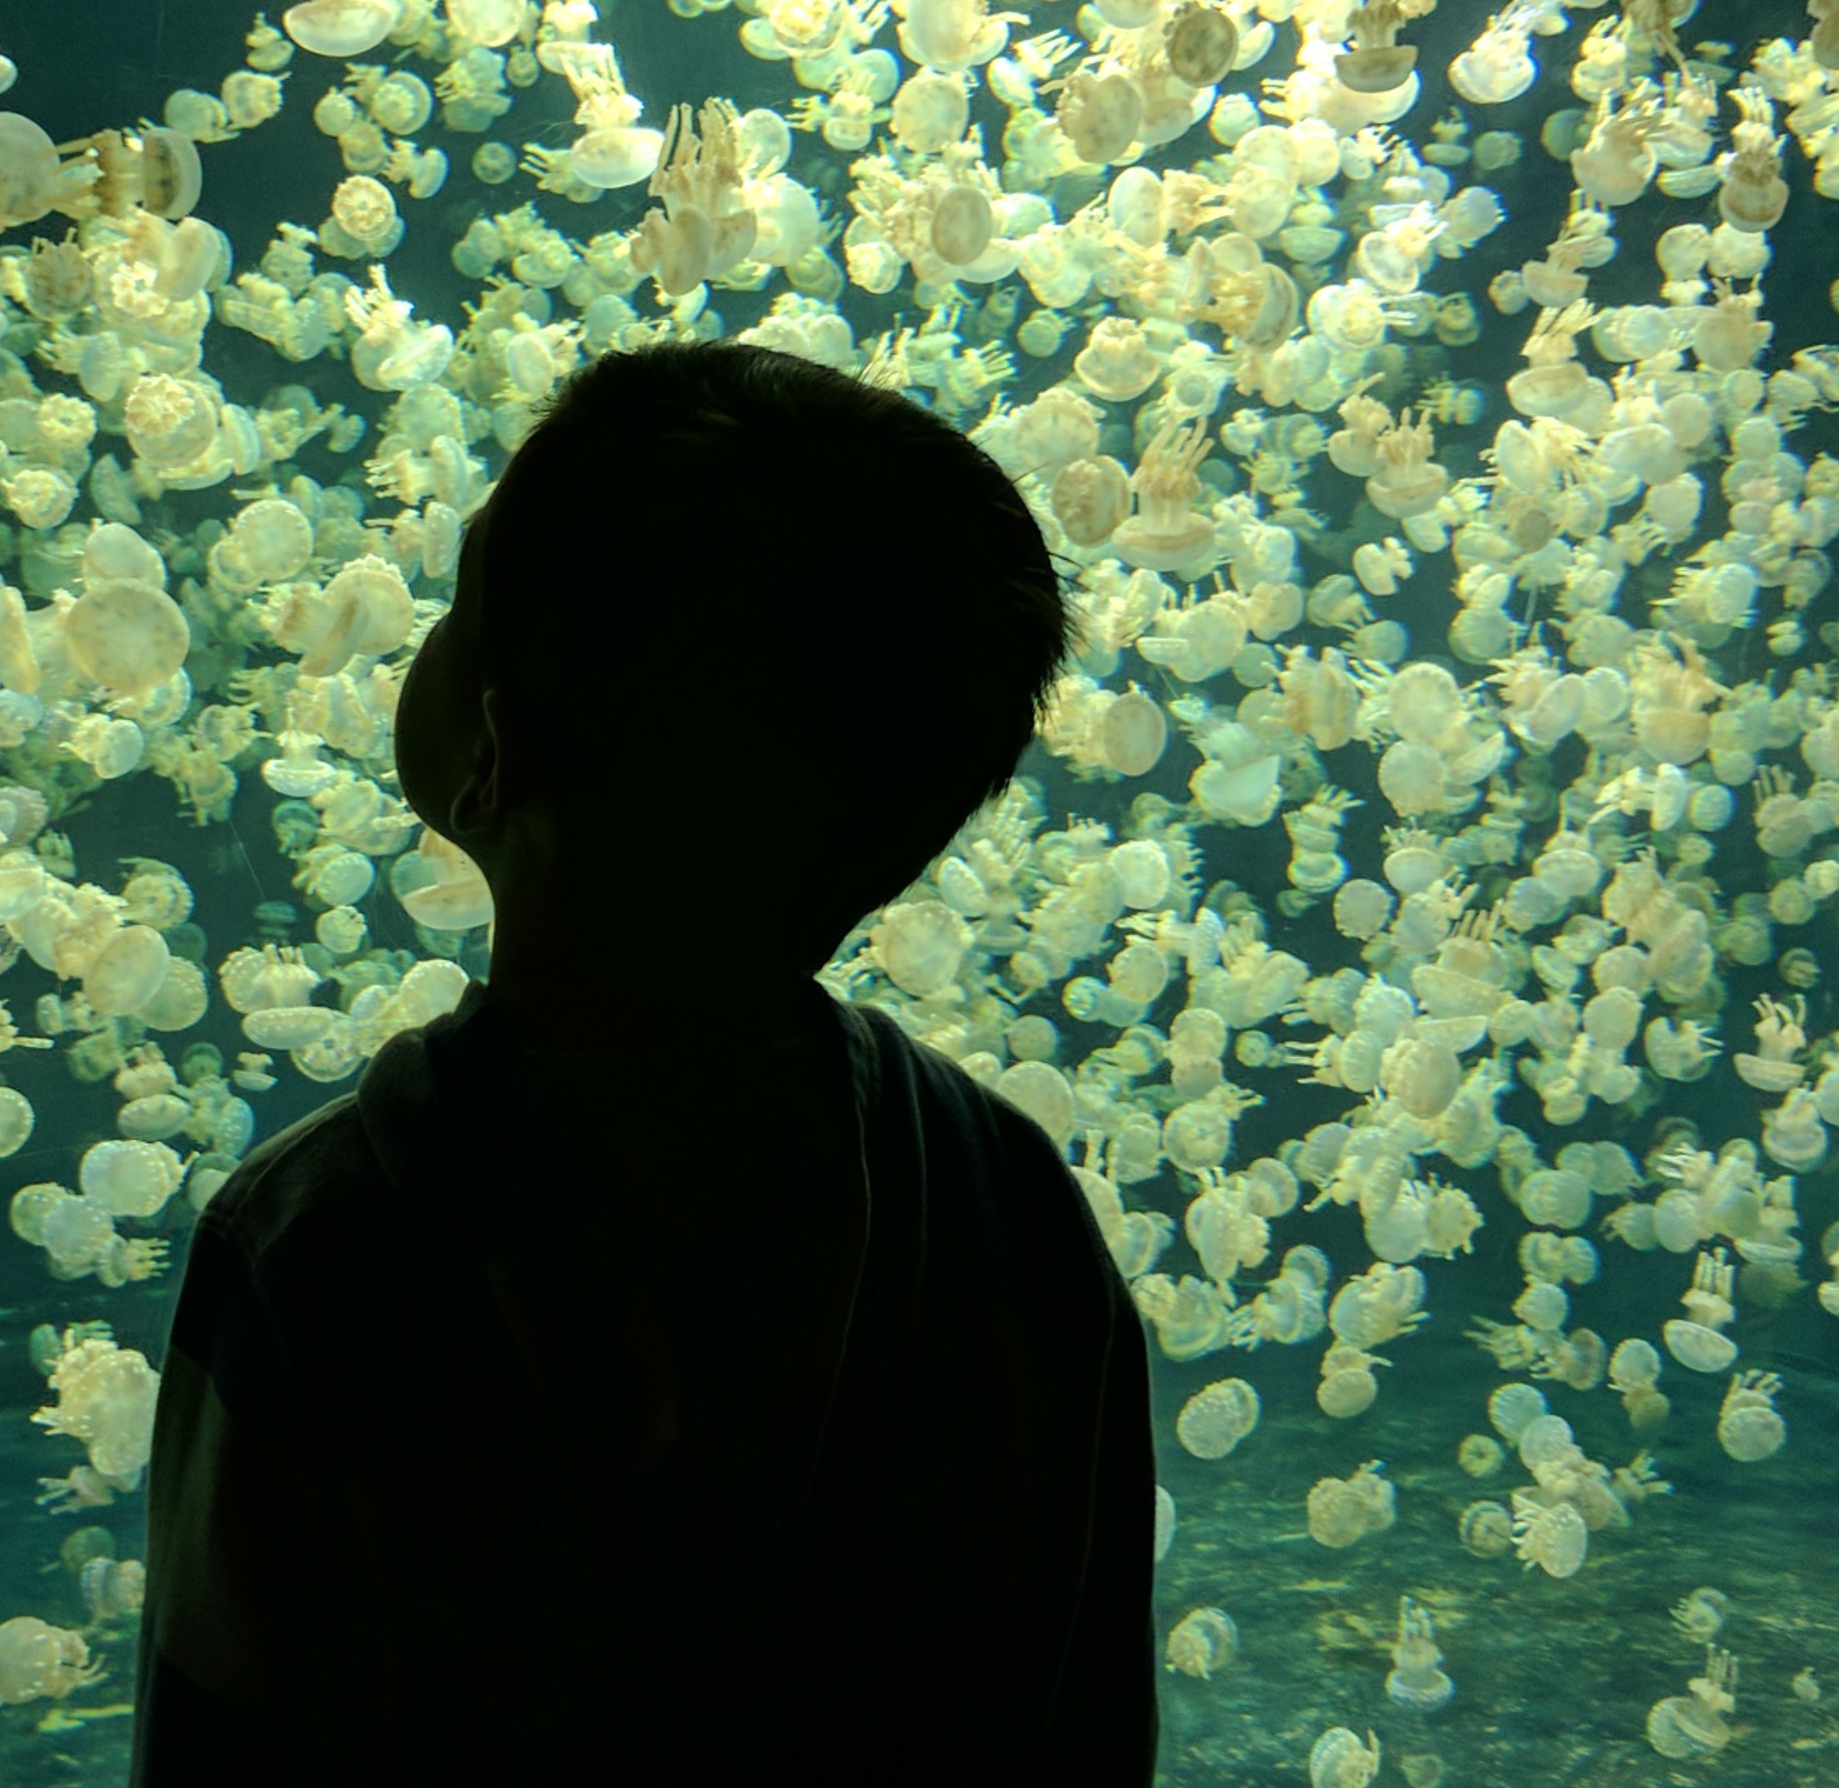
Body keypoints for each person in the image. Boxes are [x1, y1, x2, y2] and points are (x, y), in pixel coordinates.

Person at [133, 342, 1157, 1786]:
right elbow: (1089, 1731)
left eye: (459, 598)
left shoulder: (321, 1247)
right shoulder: (1013, 1199)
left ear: (490, 748)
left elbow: (221, 1747)